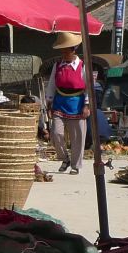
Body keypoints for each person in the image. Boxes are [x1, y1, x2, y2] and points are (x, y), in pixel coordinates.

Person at [44, 31, 88, 175]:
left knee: (77, 137)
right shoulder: (57, 66)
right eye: (61, 50)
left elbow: (88, 87)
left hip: (77, 104)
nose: (63, 53)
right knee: (56, 133)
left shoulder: (82, 66)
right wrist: (49, 103)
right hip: (59, 103)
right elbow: (51, 85)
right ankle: (64, 158)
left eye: (65, 50)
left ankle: (75, 165)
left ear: (73, 49)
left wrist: (86, 105)